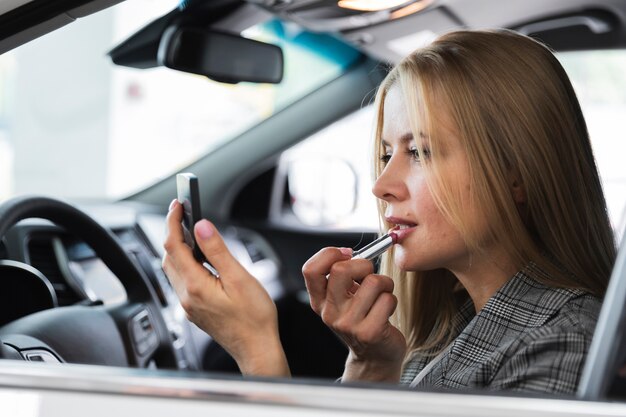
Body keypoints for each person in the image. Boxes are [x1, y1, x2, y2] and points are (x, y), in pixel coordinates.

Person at [162, 29, 616, 394]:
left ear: (517, 173)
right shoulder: (453, 319)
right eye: (385, 156)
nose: (382, 186)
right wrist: (371, 364)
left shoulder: (558, 345)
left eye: (419, 152)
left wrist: (256, 351)